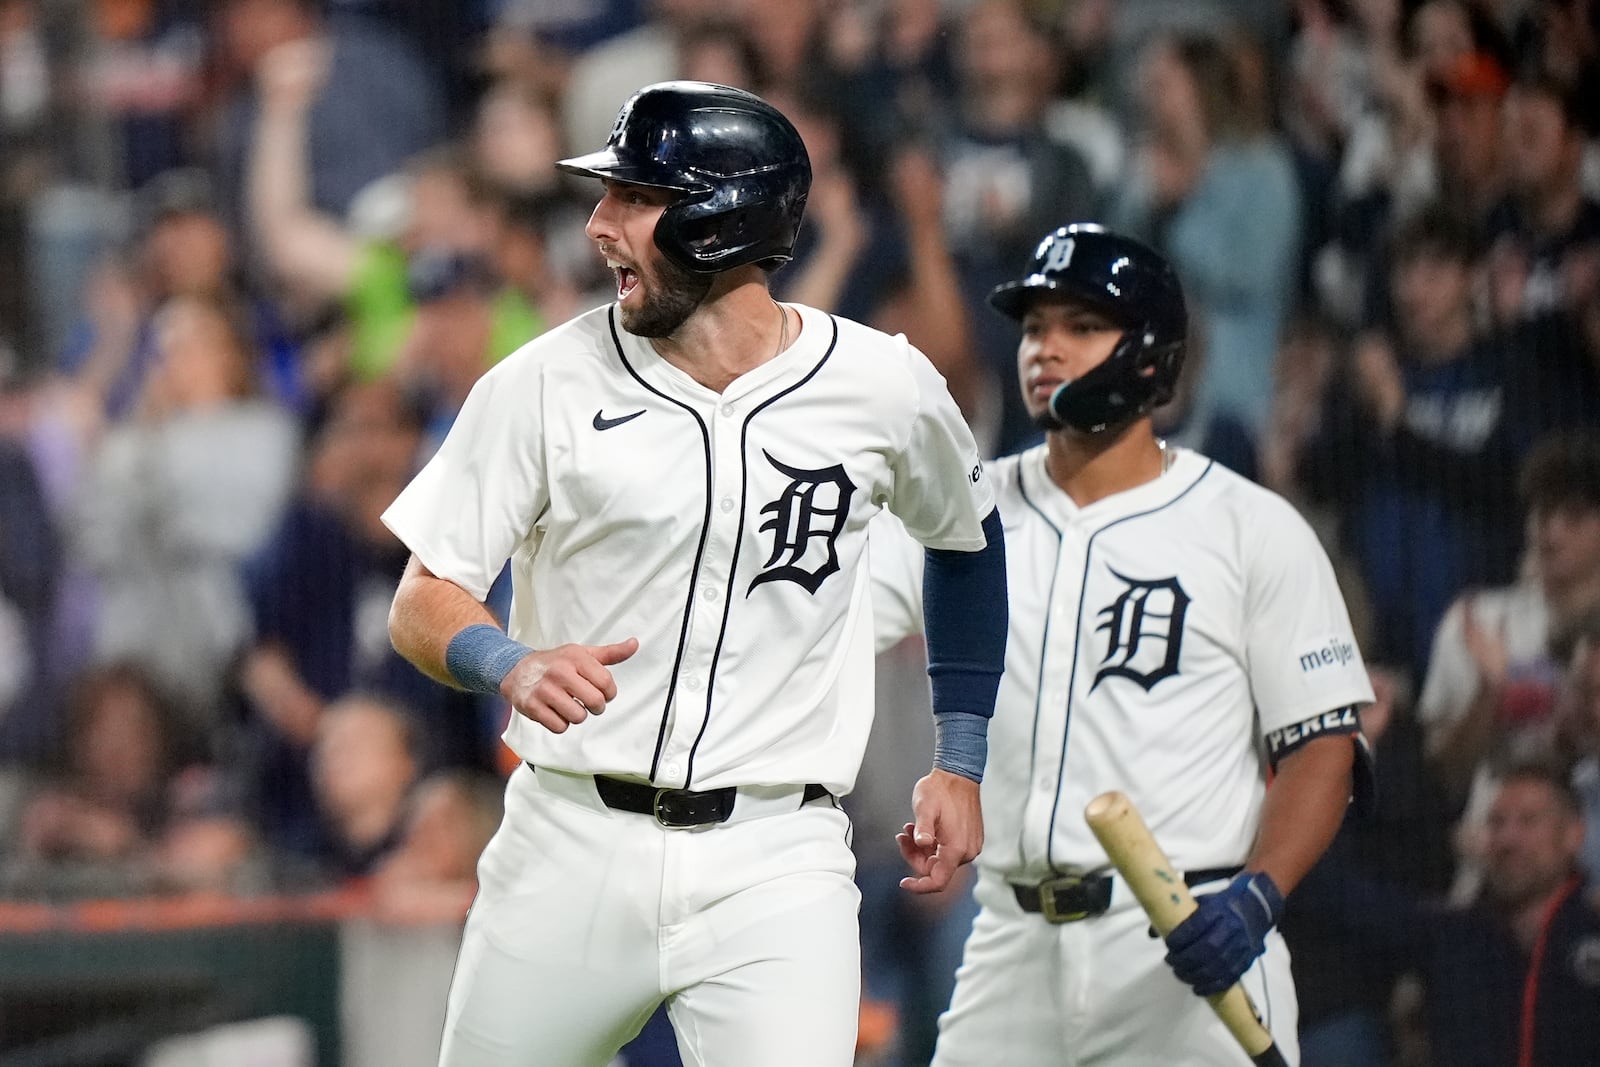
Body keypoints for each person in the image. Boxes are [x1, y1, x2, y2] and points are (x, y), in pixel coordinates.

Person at [381, 81, 1007, 1067]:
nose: (598, 225)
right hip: (569, 843)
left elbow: (967, 539)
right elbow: (419, 598)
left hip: (774, 854)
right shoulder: (541, 382)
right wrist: (506, 659)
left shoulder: (879, 384)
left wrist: (959, 756)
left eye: (634, 197)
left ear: (724, 220)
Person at [868, 223, 1375, 1066]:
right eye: (1034, 327)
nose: (1045, 348)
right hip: (1009, 940)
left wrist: (1258, 895)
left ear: (1149, 354)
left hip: (1185, 934)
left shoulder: (1249, 527)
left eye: (1080, 326)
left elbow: (1324, 747)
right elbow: (816, 614)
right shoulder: (962, 512)